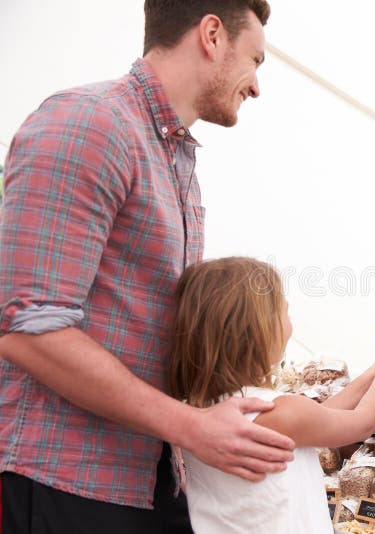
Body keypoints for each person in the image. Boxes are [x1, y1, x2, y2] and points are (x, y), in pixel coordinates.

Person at [0, 1, 295, 532]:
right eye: (254, 59)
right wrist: (191, 425)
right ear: (211, 35)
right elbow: (26, 327)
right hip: (64, 481)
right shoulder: (88, 124)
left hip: (147, 475)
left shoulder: (174, 155)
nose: (256, 86)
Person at [168, 256, 375, 533]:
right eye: (285, 312)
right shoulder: (283, 411)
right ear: (261, 331)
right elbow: (362, 423)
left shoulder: (200, 410)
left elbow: (322, 416)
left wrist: (373, 372)